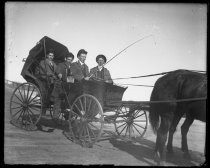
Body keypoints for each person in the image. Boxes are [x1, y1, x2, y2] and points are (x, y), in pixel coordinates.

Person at [51, 52, 75, 119]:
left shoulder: (72, 67)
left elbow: (71, 78)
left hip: (67, 85)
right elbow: (58, 72)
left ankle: (67, 114)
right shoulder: (61, 65)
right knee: (58, 100)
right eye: (68, 59)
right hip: (60, 85)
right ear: (65, 59)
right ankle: (55, 117)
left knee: (69, 100)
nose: (69, 61)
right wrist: (59, 74)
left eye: (71, 60)